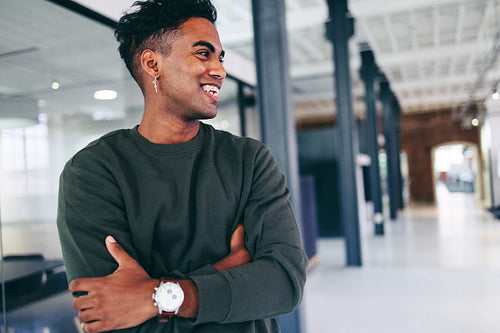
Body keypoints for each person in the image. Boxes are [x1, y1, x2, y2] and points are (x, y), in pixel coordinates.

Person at [56, 0, 308, 332]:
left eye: (220, 57)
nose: (219, 70)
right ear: (152, 63)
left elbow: (284, 283)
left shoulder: (249, 160)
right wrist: (225, 270)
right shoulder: (92, 173)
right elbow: (113, 320)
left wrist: (154, 297)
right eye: (203, 54)